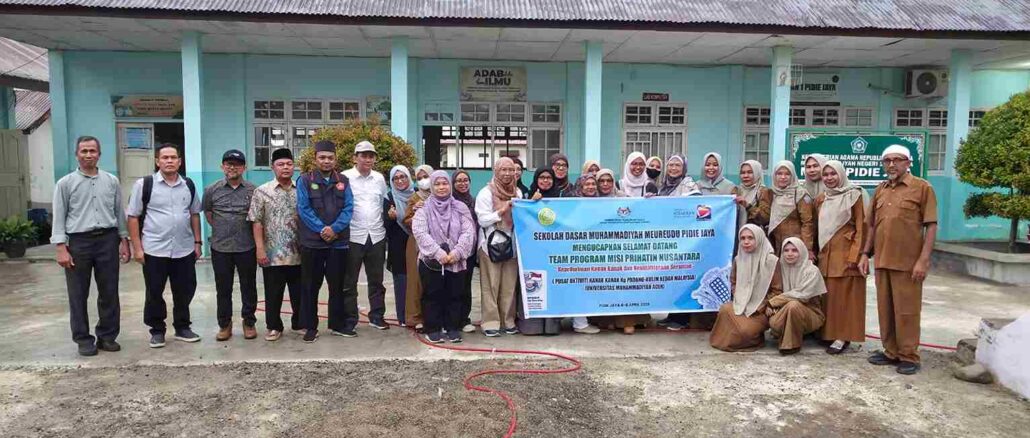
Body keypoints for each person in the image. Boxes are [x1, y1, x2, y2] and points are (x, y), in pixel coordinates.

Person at [860, 145, 937, 375]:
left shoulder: (922, 188)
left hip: (908, 263)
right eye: (887, 160)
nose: (891, 164)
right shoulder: (880, 190)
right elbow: (872, 225)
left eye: (897, 160)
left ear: (908, 162)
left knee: (907, 311)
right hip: (882, 260)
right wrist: (865, 253)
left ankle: (909, 355)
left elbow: (931, 225)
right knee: (886, 309)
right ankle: (891, 351)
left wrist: (923, 260)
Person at [51, 136, 130, 356]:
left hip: (108, 239)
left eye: (92, 151)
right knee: (78, 294)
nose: (88, 155)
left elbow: (118, 213)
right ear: (77, 154)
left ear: (99, 154)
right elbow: (59, 217)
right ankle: (83, 339)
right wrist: (60, 247)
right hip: (79, 243)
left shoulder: (111, 181)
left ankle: (107, 336)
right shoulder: (65, 183)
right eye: (84, 151)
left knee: (109, 292)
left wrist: (124, 240)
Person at [127, 143, 203, 348]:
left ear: (180, 161)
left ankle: (182, 327)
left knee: (185, 289)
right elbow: (133, 216)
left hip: (184, 248)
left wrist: (197, 242)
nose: (169, 161)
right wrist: (137, 247)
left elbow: (194, 213)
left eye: (173, 157)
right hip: (154, 248)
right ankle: (157, 330)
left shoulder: (188, 184)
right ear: (157, 161)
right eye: (165, 157)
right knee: (154, 291)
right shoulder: (145, 184)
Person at [296, 140, 355, 343]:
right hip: (313, 242)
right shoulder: (304, 180)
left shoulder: (344, 181)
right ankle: (310, 327)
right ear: (315, 159)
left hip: (338, 243)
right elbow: (303, 209)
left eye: (330, 157)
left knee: (337, 286)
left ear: (335, 159)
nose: (326, 161)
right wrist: (322, 229)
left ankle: (337, 325)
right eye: (322, 157)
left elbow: (348, 208)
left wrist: (335, 229)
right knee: (310, 286)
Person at [412, 170, 477, 343]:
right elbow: (419, 232)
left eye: (445, 183)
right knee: (432, 295)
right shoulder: (423, 207)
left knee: (455, 294)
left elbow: (468, 231)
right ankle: (433, 328)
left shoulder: (460, 207)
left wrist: (456, 253)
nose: (442, 187)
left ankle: (452, 327)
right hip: (431, 261)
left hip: (456, 260)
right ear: (432, 187)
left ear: (450, 185)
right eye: (437, 184)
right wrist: (439, 253)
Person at [248, 148, 303, 341]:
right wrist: (260, 249)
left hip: (299, 251)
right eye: (281, 164)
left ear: (294, 167)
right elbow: (257, 222)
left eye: (289, 164)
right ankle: (274, 326)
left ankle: (299, 323)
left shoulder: (301, 189)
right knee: (273, 293)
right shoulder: (262, 191)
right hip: (273, 253)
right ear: (273, 167)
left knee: (299, 292)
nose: (285, 167)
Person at [815, 160, 868, 354]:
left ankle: (843, 336)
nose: (829, 178)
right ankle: (829, 334)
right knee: (830, 296)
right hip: (826, 254)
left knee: (847, 297)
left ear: (841, 174)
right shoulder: (822, 199)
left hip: (846, 254)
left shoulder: (854, 195)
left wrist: (855, 256)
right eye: (826, 175)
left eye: (833, 174)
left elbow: (862, 227)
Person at [203, 149, 258, 342]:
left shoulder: (253, 190)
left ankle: (249, 322)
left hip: (247, 247)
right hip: (221, 248)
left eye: (237, 164)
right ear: (222, 167)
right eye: (228, 164)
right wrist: (224, 229)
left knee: (248, 287)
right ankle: (224, 325)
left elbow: (257, 218)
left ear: (244, 167)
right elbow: (209, 214)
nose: (232, 167)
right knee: (223, 288)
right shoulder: (212, 190)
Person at [342, 141, 390, 330]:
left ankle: (377, 316)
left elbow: (383, 203)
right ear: (355, 157)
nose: (368, 159)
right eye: (364, 155)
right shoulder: (345, 177)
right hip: (354, 235)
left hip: (377, 236)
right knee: (349, 281)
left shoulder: (379, 178)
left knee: (377, 280)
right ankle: (349, 320)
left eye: (371, 156)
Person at [710, 224, 780, 352]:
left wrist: (765, 304)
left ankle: (754, 339)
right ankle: (736, 339)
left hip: (761, 309)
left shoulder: (771, 261)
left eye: (750, 238)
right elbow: (734, 281)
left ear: (759, 239)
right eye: (742, 238)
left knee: (743, 331)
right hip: (742, 304)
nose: (746, 242)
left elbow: (778, 290)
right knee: (725, 309)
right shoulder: (739, 259)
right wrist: (740, 296)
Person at [475, 157, 522, 337]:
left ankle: (508, 321)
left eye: (511, 170)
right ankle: (490, 322)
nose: (508, 174)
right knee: (491, 286)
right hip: (491, 245)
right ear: (496, 171)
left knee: (509, 286)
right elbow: (482, 219)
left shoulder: (517, 192)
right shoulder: (486, 193)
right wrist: (502, 211)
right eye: (503, 170)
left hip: (511, 245)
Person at [518, 167, 564, 335]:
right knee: (533, 284)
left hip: (554, 249)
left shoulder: (561, 198)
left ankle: (552, 327)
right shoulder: (527, 196)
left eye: (549, 178)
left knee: (552, 287)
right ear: (536, 180)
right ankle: (532, 326)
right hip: (532, 249)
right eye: (542, 178)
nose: (545, 181)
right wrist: (532, 202)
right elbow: (523, 220)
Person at [768, 238, 827, 355]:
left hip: (811, 314)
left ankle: (791, 345)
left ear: (802, 251)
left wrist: (774, 301)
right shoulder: (779, 269)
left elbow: (803, 295)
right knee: (778, 317)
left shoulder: (811, 270)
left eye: (794, 250)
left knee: (793, 305)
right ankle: (785, 333)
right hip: (782, 310)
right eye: (786, 250)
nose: (789, 254)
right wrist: (770, 305)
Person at [568, 172, 602, 334]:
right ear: (580, 186)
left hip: (594, 250)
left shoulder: (600, 204)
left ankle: (583, 321)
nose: (590, 187)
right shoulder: (573, 203)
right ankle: (579, 323)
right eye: (586, 184)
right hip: (578, 250)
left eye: (593, 184)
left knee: (589, 286)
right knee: (579, 286)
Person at [404, 164, 434, 330]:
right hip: (416, 243)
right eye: (419, 178)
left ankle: (433, 315)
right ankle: (415, 317)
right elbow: (406, 221)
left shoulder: (441, 194)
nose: (423, 181)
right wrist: (416, 212)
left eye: (426, 176)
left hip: (436, 243)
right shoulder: (415, 198)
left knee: (433, 280)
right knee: (416, 281)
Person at [384, 165, 413, 328]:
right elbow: (384, 225)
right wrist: (391, 218)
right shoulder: (389, 198)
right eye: (396, 178)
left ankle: (417, 315)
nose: (400, 180)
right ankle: (403, 317)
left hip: (417, 244)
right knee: (401, 282)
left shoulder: (417, 194)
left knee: (418, 282)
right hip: (398, 246)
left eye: (403, 177)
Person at [451, 169, 479, 333]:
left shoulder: (473, 201)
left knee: (465, 286)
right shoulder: (449, 202)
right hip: (453, 251)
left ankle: (464, 319)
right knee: (452, 285)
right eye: (459, 181)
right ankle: (451, 319)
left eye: (465, 180)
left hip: (470, 251)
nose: (463, 183)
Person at [767, 161, 815, 256]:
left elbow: (808, 223)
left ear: (792, 175)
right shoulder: (771, 193)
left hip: (795, 246)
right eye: (779, 174)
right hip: (776, 244)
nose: (783, 177)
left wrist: (807, 248)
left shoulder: (801, 194)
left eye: (787, 174)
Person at [734, 160, 771, 227]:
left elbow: (765, 218)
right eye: (742, 173)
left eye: (750, 172)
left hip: (754, 234)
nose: (746, 176)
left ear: (757, 173)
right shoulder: (737, 190)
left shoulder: (763, 192)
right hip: (737, 234)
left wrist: (748, 206)